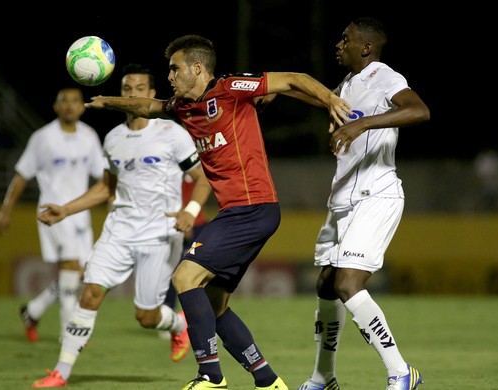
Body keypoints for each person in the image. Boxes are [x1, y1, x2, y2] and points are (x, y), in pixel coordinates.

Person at [84, 34, 352, 390]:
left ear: (197, 68)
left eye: (175, 68)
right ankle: (268, 380)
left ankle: (210, 376)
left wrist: (332, 100)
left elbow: (291, 79)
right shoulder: (182, 107)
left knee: (183, 278)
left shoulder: (230, 89)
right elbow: (148, 107)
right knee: (214, 305)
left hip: (252, 207)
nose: (170, 76)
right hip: (239, 212)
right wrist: (108, 102)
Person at [30, 63, 212, 388]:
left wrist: (191, 210)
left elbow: (202, 179)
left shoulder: (173, 135)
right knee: (90, 294)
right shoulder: (113, 138)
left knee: (146, 317)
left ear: (152, 94)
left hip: (159, 235)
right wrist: (65, 210)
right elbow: (105, 189)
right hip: (119, 230)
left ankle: (176, 325)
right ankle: (61, 371)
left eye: (139, 89)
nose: (132, 95)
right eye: (126, 89)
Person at [295, 18, 430, 390]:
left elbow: (420, 110)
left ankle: (402, 372)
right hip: (342, 200)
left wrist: (363, 124)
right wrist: (280, 90)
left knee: (348, 282)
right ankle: (324, 376)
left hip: (377, 195)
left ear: (365, 48)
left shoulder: (383, 76)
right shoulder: (350, 85)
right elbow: (321, 98)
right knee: (325, 284)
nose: (339, 44)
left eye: (346, 39)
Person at [0, 87, 104, 343]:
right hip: (51, 213)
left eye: (75, 101)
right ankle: (68, 332)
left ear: (82, 107)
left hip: (79, 214)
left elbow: (102, 177)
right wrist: (5, 210)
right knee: (69, 265)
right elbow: (21, 175)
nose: (69, 105)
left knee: (78, 273)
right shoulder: (42, 138)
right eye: (63, 101)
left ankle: (32, 311)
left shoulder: (89, 136)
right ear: (56, 107)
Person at [159, 173, 210, 340]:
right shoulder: (177, 160)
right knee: (176, 273)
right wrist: (185, 218)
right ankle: (168, 316)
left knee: (203, 274)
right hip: (181, 223)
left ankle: (206, 321)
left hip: (200, 224)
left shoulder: (199, 160)